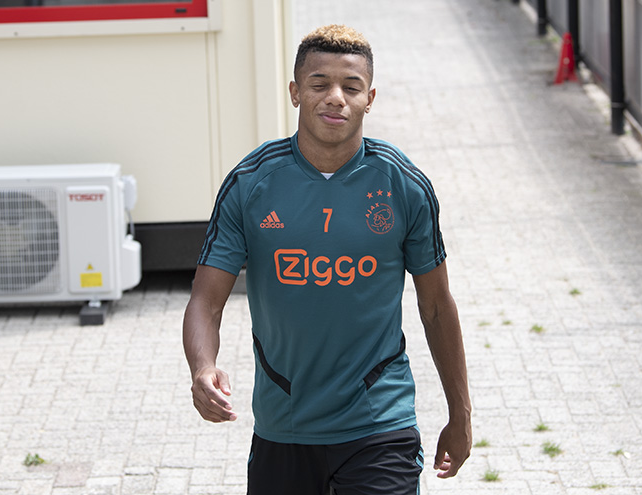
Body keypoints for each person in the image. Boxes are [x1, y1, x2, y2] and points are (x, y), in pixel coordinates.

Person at [182, 24, 471, 495]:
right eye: (319, 84)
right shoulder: (250, 183)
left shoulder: (403, 185)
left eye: (351, 87)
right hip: (284, 424)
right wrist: (202, 366)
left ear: (369, 98)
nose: (335, 97)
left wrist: (461, 414)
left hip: (381, 422)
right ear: (295, 92)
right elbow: (205, 301)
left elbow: (437, 307)